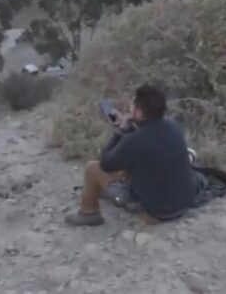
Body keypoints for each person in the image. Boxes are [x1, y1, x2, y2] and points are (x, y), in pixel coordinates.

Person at [65, 84, 197, 226]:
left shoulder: (134, 141)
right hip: (183, 203)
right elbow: (148, 139)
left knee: (92, 169)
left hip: (158, 212)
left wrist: (120, 131)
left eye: (133, 105)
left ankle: (89, 213)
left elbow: (105, 163)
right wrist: (131, 126)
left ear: (140, 113)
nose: (130, 108)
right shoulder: (173, 126)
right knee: (130, 165)